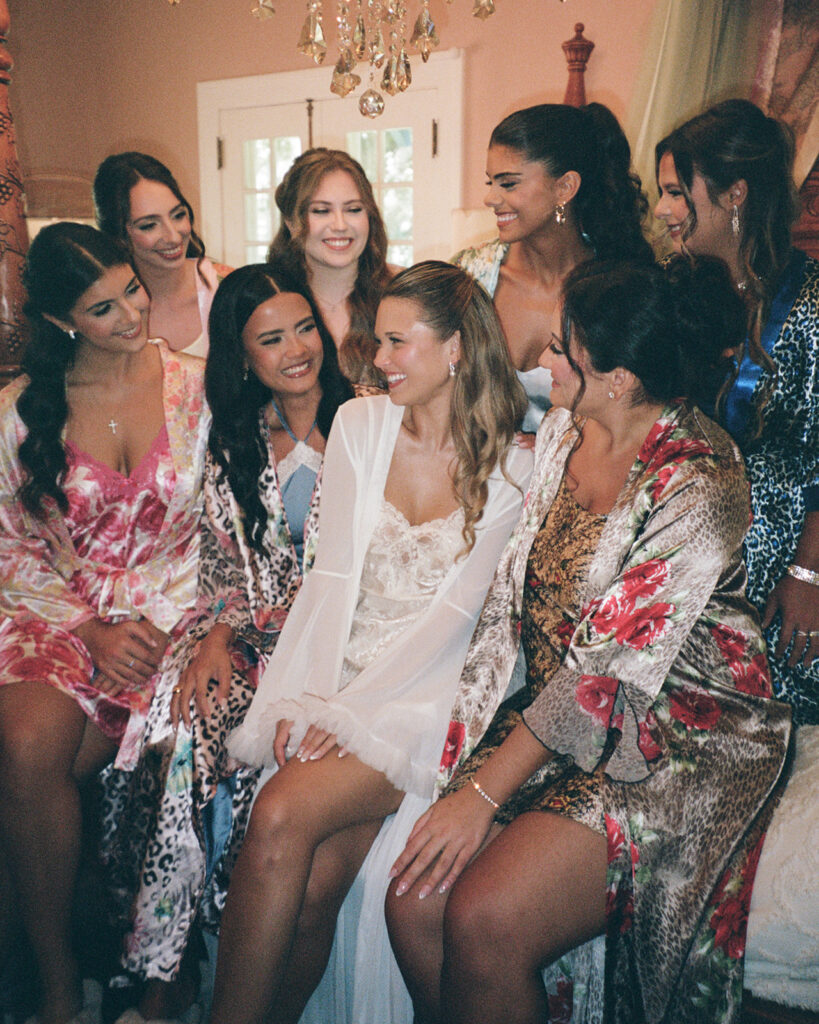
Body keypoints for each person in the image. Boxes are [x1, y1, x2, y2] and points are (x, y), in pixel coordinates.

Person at [386, 258, 792, 1024]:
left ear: (618, 377)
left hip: (674, 736)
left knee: (483, 916)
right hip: (561, 715)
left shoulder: (699, 481)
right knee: (413, 903)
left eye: (562, 350)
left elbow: (604, 676)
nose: (543, 359)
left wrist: (479, 795)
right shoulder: (564, 433)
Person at [210, 261, 532, 1024]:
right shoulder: (359, 424)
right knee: (314, 886)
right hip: (340, 678)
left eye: (396, 341)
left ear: (456, 347)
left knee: (282, 811)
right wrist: (307, 699)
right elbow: (331, 579)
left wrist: (351, 715)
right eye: (377, 340)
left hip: (425, 705)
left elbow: (455, 628)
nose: (377, 358)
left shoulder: (517, 468)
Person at [102, 261, 355, 1024]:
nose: (295, 349)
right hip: (242, 624)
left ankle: (192, 946)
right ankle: (164, 962)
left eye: (304, 326)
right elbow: (218, 555)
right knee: (180, 715)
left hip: (337, 637)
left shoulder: (367, 419)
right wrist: (215, 634)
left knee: (240, 731)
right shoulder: (236, 435)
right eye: (270, 339)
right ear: (243, 357)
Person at [0, 222, 208, 1024]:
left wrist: (169, 625)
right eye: (102, 307)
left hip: (178, 617)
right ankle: (58, 988)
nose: (131, 313)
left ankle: (152, 976)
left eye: (131, 288)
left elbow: (226, 521)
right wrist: (90, 628)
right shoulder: (20, 414)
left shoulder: (199, 385)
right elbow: (12, 550)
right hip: (60, 617)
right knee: (22, 744)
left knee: (36, 775)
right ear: (62, 323)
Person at [655, 98, 819, 726]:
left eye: (677, 192)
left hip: (779, 561)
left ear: (734, 195)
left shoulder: (809, 304)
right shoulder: (675, 289)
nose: (665, 210)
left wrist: (807, 574)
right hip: (684, 539)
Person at [454, 102, 654, 431]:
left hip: (576, 478)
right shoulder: (469, 274)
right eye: (490, 182)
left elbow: (634, 418)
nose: (490, 198)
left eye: (508, 183)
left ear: (564, 187)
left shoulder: (616, 289)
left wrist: (553, 451)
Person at [267, 147, 395, 388]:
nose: (340, 225)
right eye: (321, 211)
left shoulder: (401, 294)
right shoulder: (268, 300)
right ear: (291, 222)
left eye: (353, 209)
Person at [94, 151, 231, 358]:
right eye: (149, 225)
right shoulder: (103, 314)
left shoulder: (227, 288)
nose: (174, 236)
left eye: (178, 215)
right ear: (117, 235)